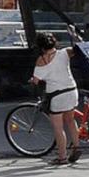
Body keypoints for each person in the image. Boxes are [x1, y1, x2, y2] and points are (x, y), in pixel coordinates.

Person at [29, 32, 82, 165]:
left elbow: (36, 80)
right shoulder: (65, 52)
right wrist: (75, 36)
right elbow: (78, 49)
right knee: (71, 120)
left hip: (57, 95)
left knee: (58, 127)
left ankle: (62, 157)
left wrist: (33, 80)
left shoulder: (41, 60)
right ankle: (76, 147)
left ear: (40, 46)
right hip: (71, 90)